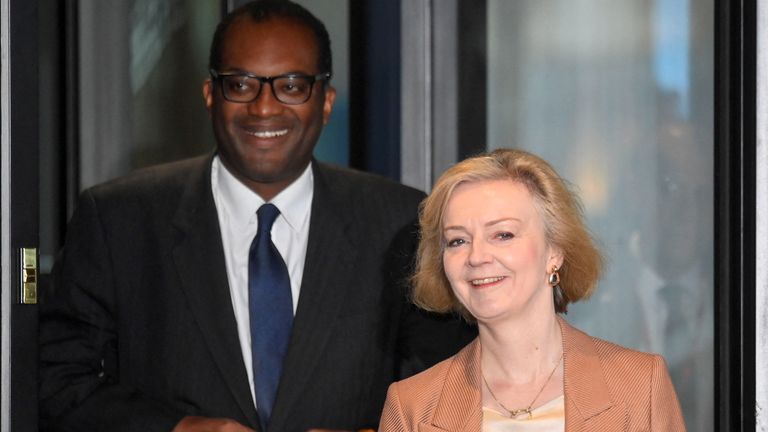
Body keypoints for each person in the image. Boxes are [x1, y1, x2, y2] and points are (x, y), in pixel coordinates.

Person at [38, 1, 474, 431]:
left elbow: (449, 384)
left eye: (291, 85)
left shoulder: (398, 221)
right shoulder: (119, 219)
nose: (264, 108)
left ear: (325, 101)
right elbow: (56, 379)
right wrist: (177, 429)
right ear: (211, 95)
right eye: (242, 84)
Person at [379, 148, 686, 431]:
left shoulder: (639, 385)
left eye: (503, 234)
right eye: (458, 240)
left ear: (554, 250)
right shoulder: (413, 408)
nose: (476, 256)